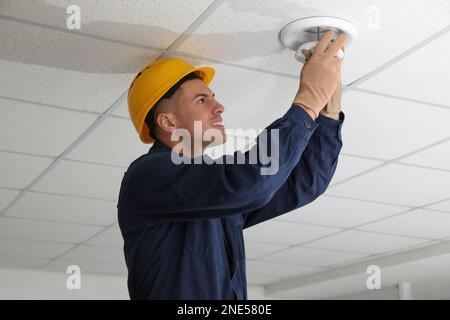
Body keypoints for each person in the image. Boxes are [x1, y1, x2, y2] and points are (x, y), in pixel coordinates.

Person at [118, 31, 346, 299]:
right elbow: (252, 181)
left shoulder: (213, 199)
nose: (220, 107)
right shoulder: (147, 176)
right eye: (202, 100)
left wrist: (328, 112)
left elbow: (305, 183)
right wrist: (308, 100)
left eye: (212, 97)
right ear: (168, 123)